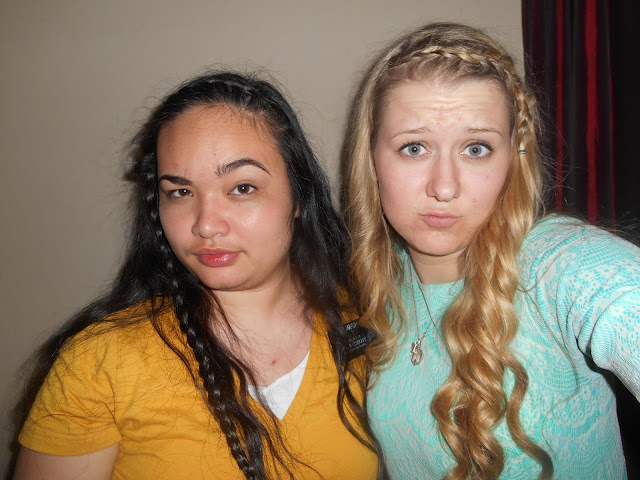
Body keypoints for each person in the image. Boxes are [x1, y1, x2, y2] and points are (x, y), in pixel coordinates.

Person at [11, 72, 380, 480]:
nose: (205, 225)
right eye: (181, 192)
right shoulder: (99, 363)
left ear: (298, 196)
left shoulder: (374, 326)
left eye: (242, 188)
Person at [342, 22, 640, 480]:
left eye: (476, 148)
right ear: (372, 159)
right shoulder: (376, 292)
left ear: (512, 160)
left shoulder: (551, 265)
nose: (444, 187)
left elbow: (619, 295)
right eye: (414, 147)